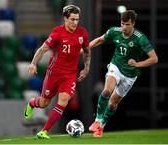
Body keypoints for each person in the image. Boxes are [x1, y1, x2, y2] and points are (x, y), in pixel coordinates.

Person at [24, 5, 91, 139]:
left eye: (77, 19)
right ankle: (32, 103)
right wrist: (33, 63)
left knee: (64, 100)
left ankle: (44, 131)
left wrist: (87, 68)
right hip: (53, 73)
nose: (75, 22)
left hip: (70, 75)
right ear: (65, 19)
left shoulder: (82, 33)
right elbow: (43, 49)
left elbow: (87, 51)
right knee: (44, 103)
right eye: (72, 19)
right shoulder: (57, 32)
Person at [88, 10, 158, 137]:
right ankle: (97, 120)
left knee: (113, 103)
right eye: (122, 24)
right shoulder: (114, 31)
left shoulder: (140, 38)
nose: (124, 27)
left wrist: (137, 64)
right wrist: (85, 48)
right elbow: (99, 40)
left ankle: (101, 125)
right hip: (116, 66)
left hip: (130, 75)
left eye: (127, 25)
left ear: (133, 24)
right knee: (106, 91)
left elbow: (154, 58)